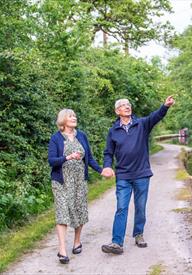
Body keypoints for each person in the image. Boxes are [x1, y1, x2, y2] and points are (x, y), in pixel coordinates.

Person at [101, 96, 175, 255]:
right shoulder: (113, 131)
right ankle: (116, 242)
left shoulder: (141, 124)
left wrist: (165, 106)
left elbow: (156, 116)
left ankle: (138, 234)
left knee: (140, 207)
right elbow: (108, 152)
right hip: (123, 175)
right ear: (117, 111)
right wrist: (107, 166)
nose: (127, 107)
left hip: (141, 174)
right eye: (123, 105)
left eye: (128, 104)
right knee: (121, 207)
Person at [48, 109, 105, 264]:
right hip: (61, 182)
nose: (74, 118)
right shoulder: (56, 138)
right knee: (62, 212)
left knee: (79, 210)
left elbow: (90, 159)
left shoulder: (82, 136)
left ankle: (77, 242)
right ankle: (62, 250)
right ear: (63, 120)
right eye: (70, 116)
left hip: (80, 181)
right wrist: (68, 157)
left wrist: (101, 170)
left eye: (74, 116)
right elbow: (52, 161)